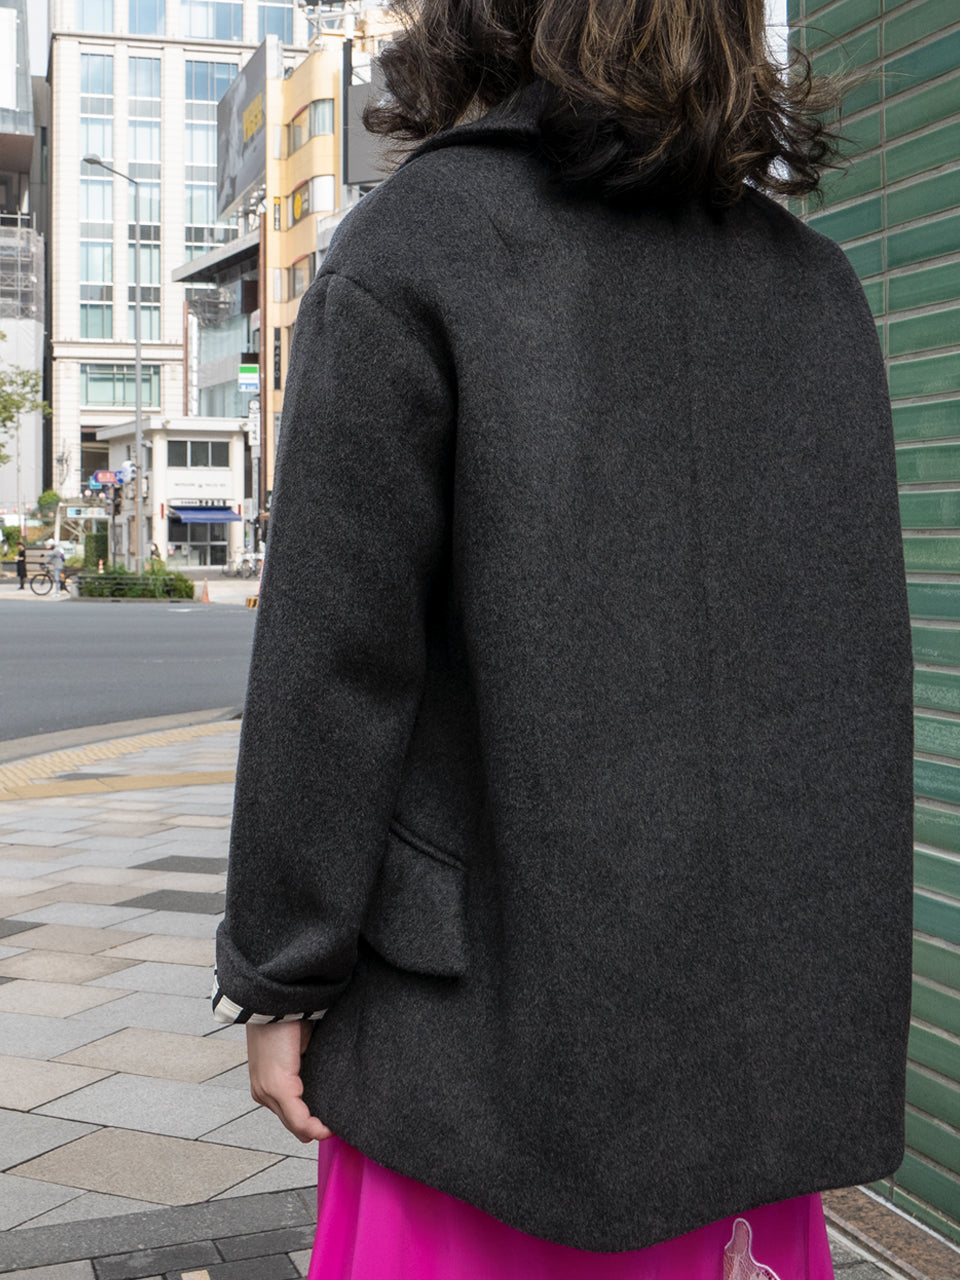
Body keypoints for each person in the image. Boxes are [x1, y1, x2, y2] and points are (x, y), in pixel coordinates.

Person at [213, 3, 914, 1278]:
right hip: (740, 1042)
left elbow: (337, 664)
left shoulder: (417, 246)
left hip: (479, 1044)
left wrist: (280, 968)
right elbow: (842, 674)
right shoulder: (813, 283)